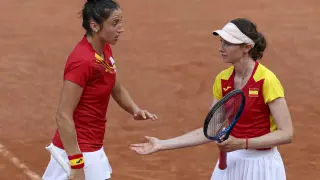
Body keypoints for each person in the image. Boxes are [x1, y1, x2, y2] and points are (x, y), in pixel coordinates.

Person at [130, 18, 293, 180]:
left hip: (262, 166)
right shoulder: (222, 79)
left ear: (247, 47)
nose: (221, 49)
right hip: (232, 162)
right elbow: (211, 130)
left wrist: (243, 143)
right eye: (221, 42)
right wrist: (162, 144)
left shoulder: (267, 80)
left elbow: (286, 133)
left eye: (228, 44)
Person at [42, 0, 158, 180]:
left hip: (91, 146)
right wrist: (76, 162)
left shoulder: (104, 50)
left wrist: (134, 109)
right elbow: (63, 115)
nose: (121, 28)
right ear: (94, 26)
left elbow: (115, 86)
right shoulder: (82, 61)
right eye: (114, 23)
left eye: (121, 22)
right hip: (78, 150)